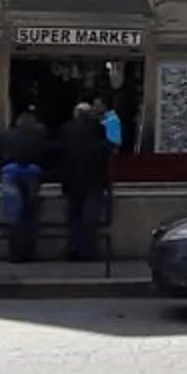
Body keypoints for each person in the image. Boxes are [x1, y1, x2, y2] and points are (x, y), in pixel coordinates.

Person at [0, 105, 53, 264]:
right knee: (30, 213)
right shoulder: (40, 134)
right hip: (32, 171)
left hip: (10, 171)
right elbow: (48, 153)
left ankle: (15, 252)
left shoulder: (6, 135)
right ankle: (29, 251)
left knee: (14, 214)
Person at [58, 99, 112, 263]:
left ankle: (73, 248)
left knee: (74, 216)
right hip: (94, 178)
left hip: (73, 178)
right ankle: (87, 250)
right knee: (90, 217)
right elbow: (106, 152)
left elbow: (61, 153)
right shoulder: (99, 128)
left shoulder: (66, 129)